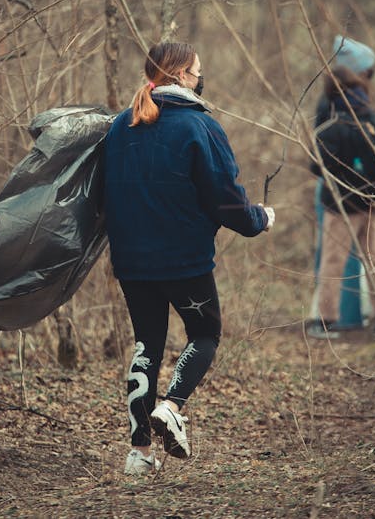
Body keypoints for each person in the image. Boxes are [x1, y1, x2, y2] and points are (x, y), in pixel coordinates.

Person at [104, 42, 275, 475]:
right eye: (198, 71)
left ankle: (139, 454)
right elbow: (227, 203)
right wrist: (261, 219)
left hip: (131, 262)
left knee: (146, 345)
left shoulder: (121, 127)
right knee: (206, 333)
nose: (202, 77)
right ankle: (171, 407)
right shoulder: (201, 127)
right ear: (180, 75)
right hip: (184, 262)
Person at [308, 58, 375, 340]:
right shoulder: (373, 120)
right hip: (374, 201)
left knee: (333, 260)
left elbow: (318, 166)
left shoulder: (332, 124)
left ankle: (324, 321)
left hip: (341, 205)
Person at [311, 35, 375, 329]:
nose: (368, 80)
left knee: (337, 254)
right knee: (339, 254)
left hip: (346, 188)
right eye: (366, 73)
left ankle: (343, 317)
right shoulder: (337, 105)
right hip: (339, 190)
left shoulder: (339, 99)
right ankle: (342, 319)